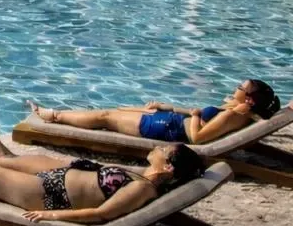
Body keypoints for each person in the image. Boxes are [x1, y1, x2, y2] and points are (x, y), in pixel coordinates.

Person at [0, 131, 204, 224]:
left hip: (48, 195)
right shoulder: (143, 177)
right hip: (55, 177)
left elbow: (102, 214)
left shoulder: (143, 189)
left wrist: (50, 216)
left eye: (165, 150)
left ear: (168, 168)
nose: (159, 147)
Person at [26, 79, 282, 145]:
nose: (236, 88)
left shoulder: (233, 115)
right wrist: (169, 107)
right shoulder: (240, 111)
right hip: (173, 120)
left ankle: (54, 116)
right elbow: (201, 117)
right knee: (116, 110)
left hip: (170, 130)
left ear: (249, 99)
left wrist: (193, 116)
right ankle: (60, 115)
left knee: (106, 118)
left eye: (240, 88)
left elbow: (197, 138)